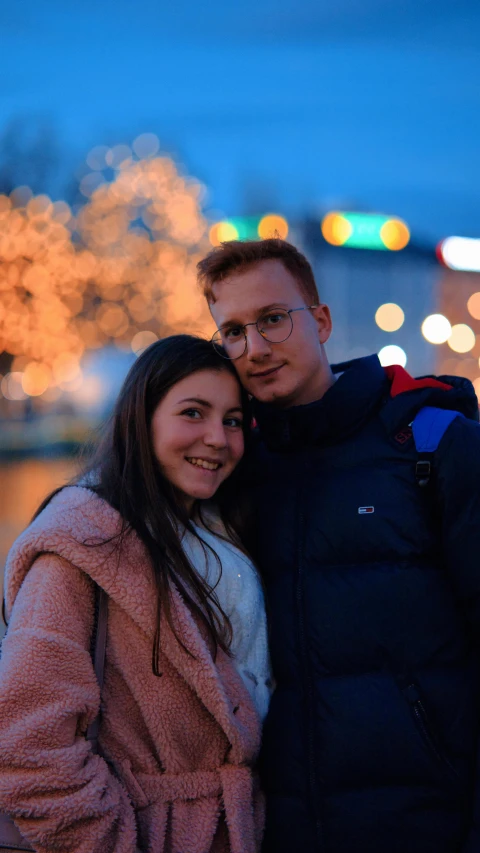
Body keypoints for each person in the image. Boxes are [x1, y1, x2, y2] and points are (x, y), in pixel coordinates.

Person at [197, 238, 480, 853]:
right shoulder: (227, 471)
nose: (255, 348)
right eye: (234, 331)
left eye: (273, 319)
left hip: (429, 824)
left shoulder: (433, 446)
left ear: (320, 321)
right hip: (284, 832)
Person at [0, 335, 272, 853]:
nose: (217, 437)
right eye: (193, 412)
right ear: (140, 418)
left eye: (233, 420)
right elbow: (29, 743)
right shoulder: (79, 542)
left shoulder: (225, 533)